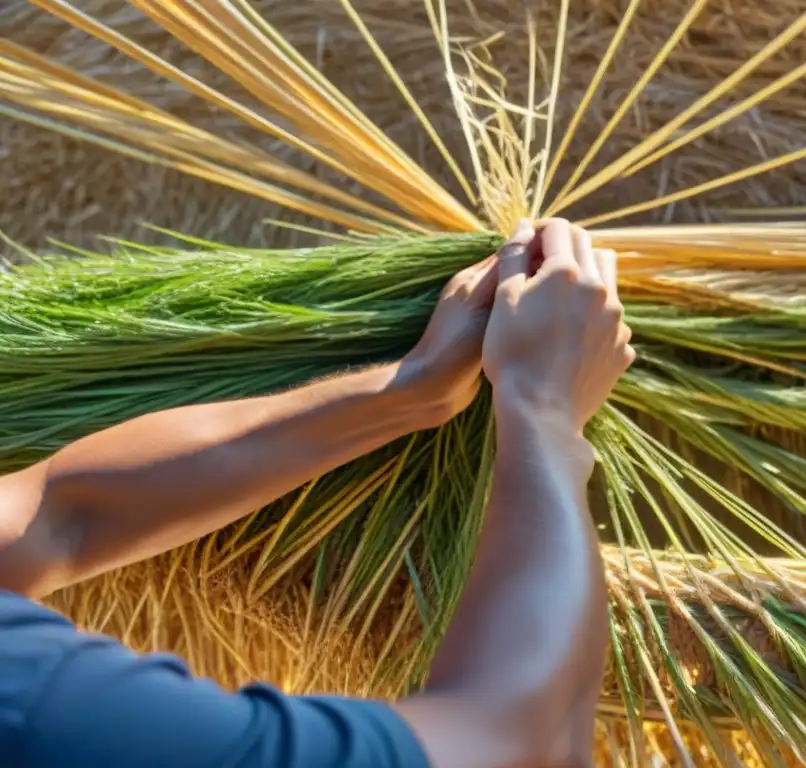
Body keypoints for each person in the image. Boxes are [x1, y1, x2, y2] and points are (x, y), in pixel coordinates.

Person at [0, 218, 634, 768]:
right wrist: (543, 410)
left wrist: (408, 390)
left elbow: (61, 514)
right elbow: (518, 745)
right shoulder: (38, 715)